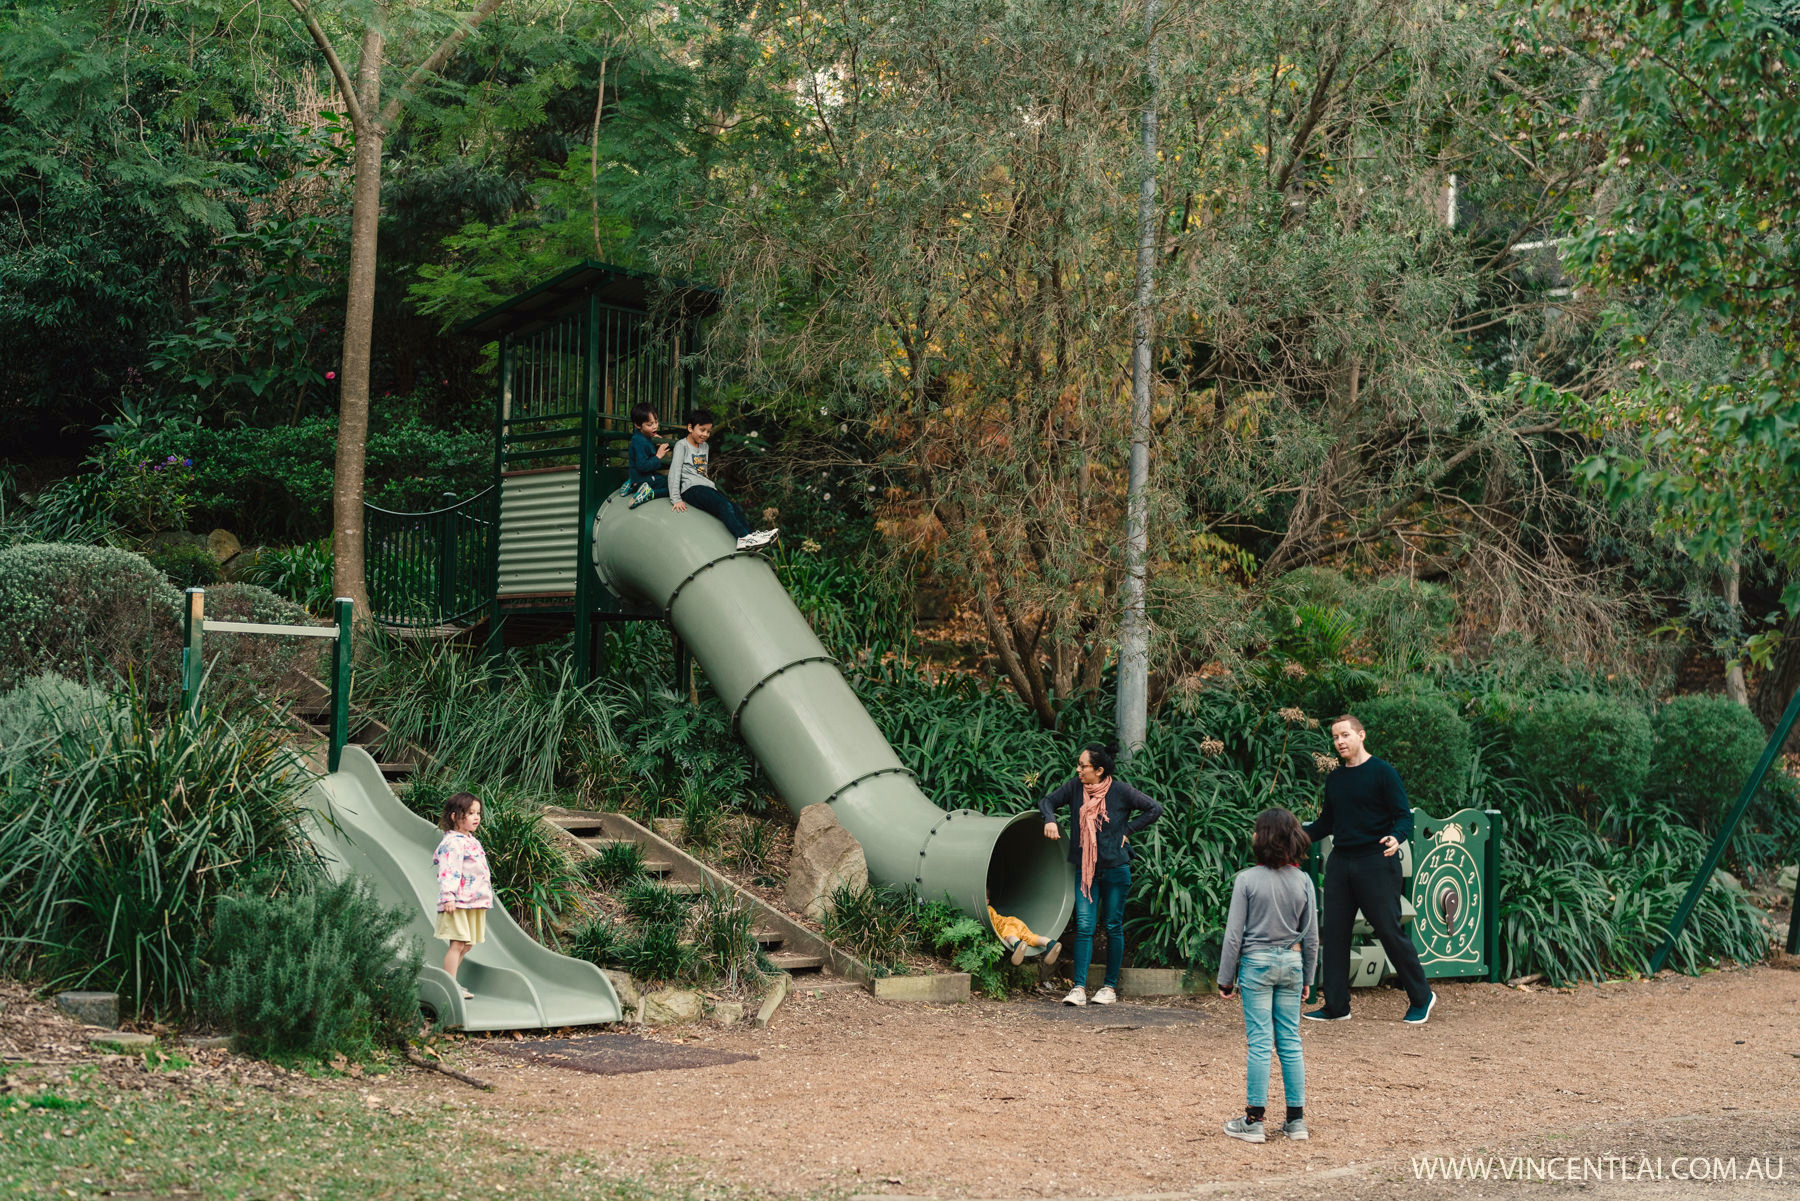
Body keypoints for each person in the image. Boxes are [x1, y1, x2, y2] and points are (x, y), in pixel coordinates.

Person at [1301, 714, 1436, 1024]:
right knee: (1334, 934)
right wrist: (1294, 836)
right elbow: (1327, 823)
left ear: (1361, 735)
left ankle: (1422, 996)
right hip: (1341, 862)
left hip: (1376, 860)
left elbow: (1404, 816)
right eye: (1335, 737)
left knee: (1389, 930)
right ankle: (1337, 1006)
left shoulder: (1382, 772)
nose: (1339, 742)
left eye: (1345, 735)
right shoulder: (1335, 778)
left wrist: (1396, 837)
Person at [1217, 808, 1318, 1143]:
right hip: (1291, 964)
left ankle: (1254, 1121)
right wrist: (1308, 978)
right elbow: (1312, 936)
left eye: (1257, 830)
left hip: (1256, 965)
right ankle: (1296, 1122)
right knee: (1290, 1041)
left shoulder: (1247, 879)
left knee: (1260, 1042)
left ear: (1264, 837)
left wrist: (1225, 978)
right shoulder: (1303, 880)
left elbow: (1234, 936)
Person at [1039, 744, 1162, 1006]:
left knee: (1113, 927)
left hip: (1116, 869)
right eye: (1079, 765)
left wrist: (1127, 831)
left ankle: (1109, 988)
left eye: (1083, 766)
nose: (1078, 770)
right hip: (1086, 870)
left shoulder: (1120, 791)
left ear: (1099, 770)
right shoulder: (1075, 788)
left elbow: (1154, 809)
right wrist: (1049, 818)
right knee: (1085, 927)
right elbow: (1047, 801)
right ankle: (1079, 989)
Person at [670, 408, 779, 551]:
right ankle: (743, 538)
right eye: (702, 430)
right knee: (723, 505)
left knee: (734, 507)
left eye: (708, 431)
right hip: (691, 489)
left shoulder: (705, 446)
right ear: (690, 428)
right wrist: (676, 498)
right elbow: (674, 472)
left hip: (705, 487)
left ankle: (751, 538)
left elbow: (702, 471)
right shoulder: (681, 445)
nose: (705, 434)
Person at [434, 791, 493, 1001]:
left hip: (473, 901)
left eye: (478, 813)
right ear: (455, 816)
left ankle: (450, 981)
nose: (476, 817)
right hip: (457, 901)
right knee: (458, 943)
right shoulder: (453, 842)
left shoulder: (471, 840)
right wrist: (448, 895)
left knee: (468, 944)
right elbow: (449, 870)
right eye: (470, 813)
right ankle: (450, 986)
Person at [987, 900, 1062, 967]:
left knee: (1009, 936)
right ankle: (1050, 943)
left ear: (987, 901)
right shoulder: (991, 909)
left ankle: (1017, 943)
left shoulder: (988, 909)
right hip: (1016, 921)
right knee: (1031, 937)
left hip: (1005, 924)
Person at [626, 403, 671, 507]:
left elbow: (646, 453)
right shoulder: (639, 442)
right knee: (675, 487)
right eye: (649, 425)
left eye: (656, 422)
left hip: (643, 478)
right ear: (637, 425)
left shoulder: (642, 437)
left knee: (666, 479)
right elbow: (643, 466)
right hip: (644, 479)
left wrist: (653, 440)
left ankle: (632, 484)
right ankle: (649, 494)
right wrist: (658, 456)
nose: (655, 426)